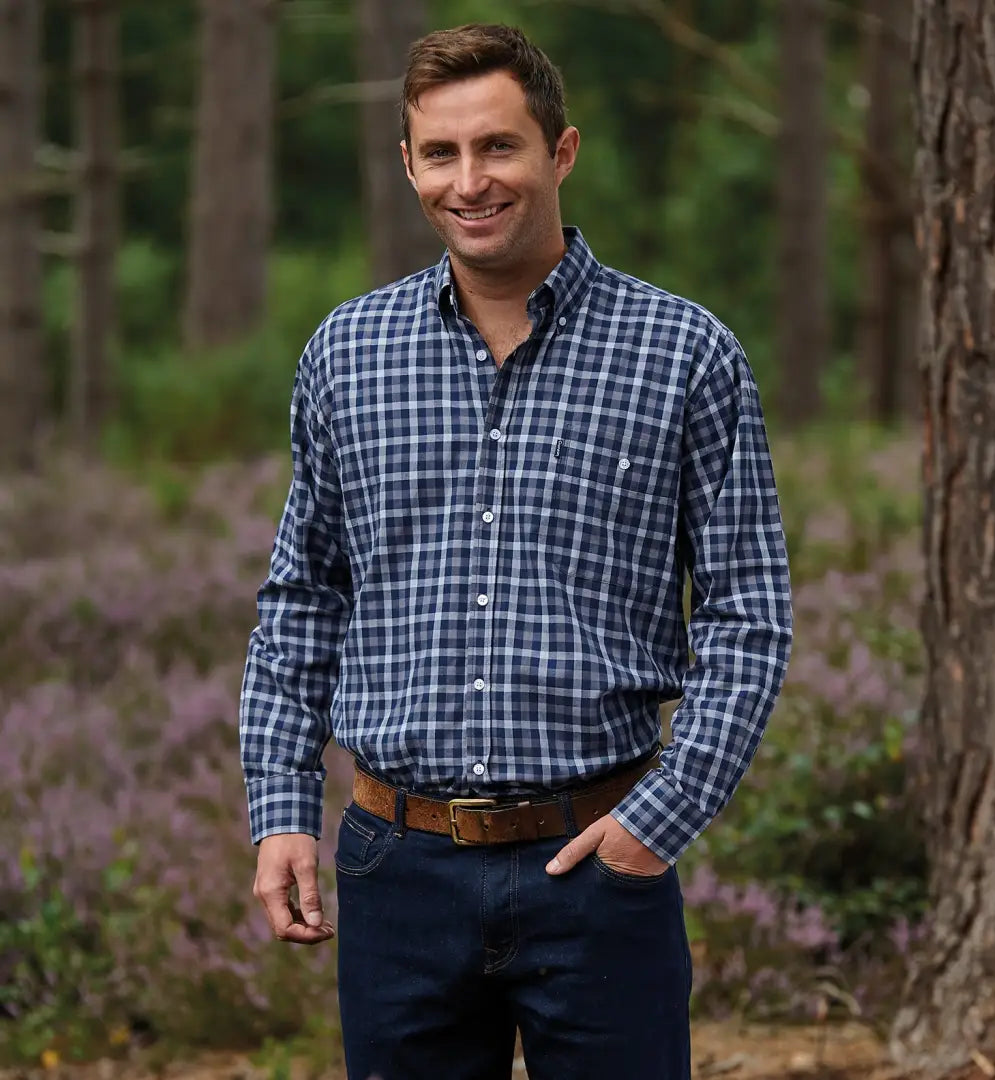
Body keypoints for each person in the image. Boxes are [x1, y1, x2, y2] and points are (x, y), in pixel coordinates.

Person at [239, 22, 792, 1080]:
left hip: (599, 868)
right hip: (397, 867)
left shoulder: (685, 356)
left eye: (499, 147)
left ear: (560, 152)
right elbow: (304, 597)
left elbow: (748, 615)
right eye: (440, 154)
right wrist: (280, 811)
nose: (470, 180)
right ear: (407, 164)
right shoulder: (346, 356)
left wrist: (656, 824)